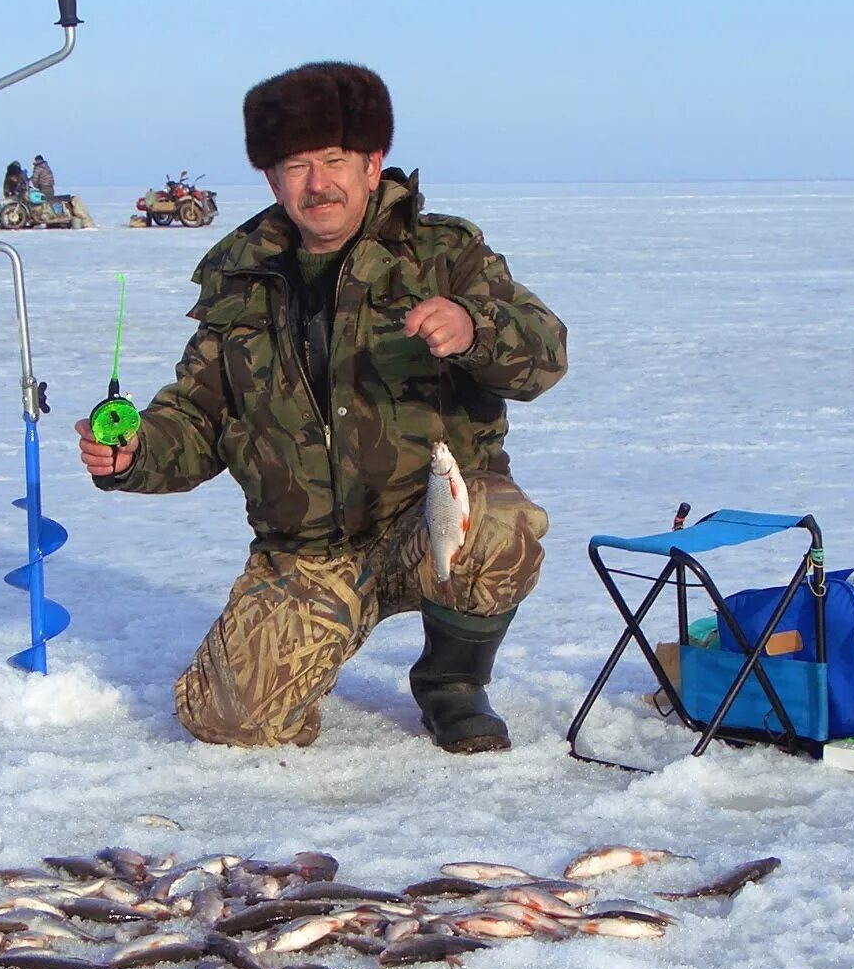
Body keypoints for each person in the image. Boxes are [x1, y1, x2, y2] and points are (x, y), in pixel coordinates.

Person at [74, 61, 566, 753]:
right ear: (272, 180)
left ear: (372, 163)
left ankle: (453, 684)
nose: (317, 183)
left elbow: (546, 352)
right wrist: (135, 453)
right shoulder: (241, 278)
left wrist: (474, 329)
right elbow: (197, 416)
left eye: (334, 160)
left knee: (498, 525)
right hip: (306, 553)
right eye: (295, 166)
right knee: (230, 722)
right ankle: (312, 643)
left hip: (424, 521)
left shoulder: (445, 254)